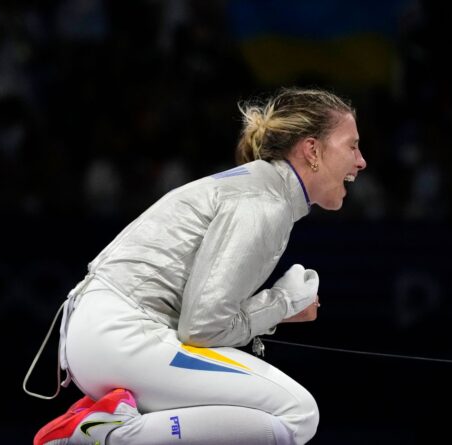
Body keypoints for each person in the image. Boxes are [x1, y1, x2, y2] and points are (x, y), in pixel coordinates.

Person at [28, 86, 367, 445]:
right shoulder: (264, 202)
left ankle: (111, 426)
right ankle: (108, 436)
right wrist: (281, 304)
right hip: (122, 337)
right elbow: (203, 328)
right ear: (312, 150)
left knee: (248, 420)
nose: (361, 161)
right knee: (297, 412)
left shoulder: (263, 190)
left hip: (103, 337)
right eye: (352, 145)